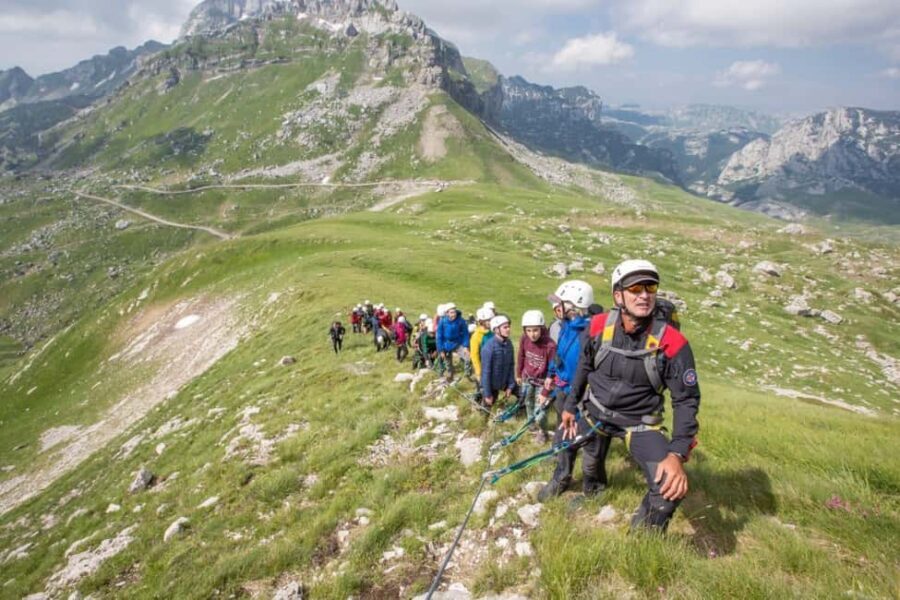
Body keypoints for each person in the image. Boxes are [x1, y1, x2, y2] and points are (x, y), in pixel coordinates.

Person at [561, 259, 700, 532]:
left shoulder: (673, 342)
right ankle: (593, 495)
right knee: (588, 465)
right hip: (595, 412)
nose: (645, 294)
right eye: (635, 288)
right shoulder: (598, 326)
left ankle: (642, 537)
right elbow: (584, 367)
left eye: (651, 287)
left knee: (668, 491)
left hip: (640, 423)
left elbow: (686, 400)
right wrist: (569, 405)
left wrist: (677, 453)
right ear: (618, 295)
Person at [538, 279, 600, 501]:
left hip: (579, 394)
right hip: (563, 388)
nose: (557, 307)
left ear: (573, 306)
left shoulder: (587, 333)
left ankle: (565, 478)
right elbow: (560, 355)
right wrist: (552, 375)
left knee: (573, 435)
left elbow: (582, 369)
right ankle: (561, 466)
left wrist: (574, 402)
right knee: (563, 429)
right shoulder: (565, 327)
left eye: (561, 303)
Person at [516, 310, 556, 442]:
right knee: (528, 403)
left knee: (541, 412)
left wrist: (546, 391)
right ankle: (531, 425)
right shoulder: (524, 339)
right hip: (528, 378)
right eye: (528, 330)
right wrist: (518, 373)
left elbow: (553, 369)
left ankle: (542, 431)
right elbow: (521, 356)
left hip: (542, 382)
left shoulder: (550, 345)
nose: (532, 334)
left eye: (535, 330)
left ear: (542, 328)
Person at [480, 315, 516, 409]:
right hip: (492, 385)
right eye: (505, 327)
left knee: (523, 394)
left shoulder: (509, 344)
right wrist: (487, 394)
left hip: (505, 382)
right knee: (487, 407)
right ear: (496, 330)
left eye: (508, 327)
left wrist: (511, 386)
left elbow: (511, 366)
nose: (508, 329)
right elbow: (485, 372)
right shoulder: (489, 347)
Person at [436, 302, 470, 381]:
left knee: (467, 357)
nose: (453, 314)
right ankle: (450, 376)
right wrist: (441, 350)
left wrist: (465, 346)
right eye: (451, 312)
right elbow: (439, 336)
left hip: (457, 342)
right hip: (446, 344)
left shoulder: (461, 321)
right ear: (447, 313)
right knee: (448, 362)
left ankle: (467, 375)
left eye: (454, 312)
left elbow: (465, 333)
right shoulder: (442, 321)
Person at [469, 306, 495, 401]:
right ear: (481, 322)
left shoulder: (493, 333)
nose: (490, 322)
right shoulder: (476, 337)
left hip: (492, 365)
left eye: (491, 319)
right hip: (482, 367)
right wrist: (479, 373)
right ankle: (478, 403)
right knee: (482, 388)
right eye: (488, 320)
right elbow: (474, 356)